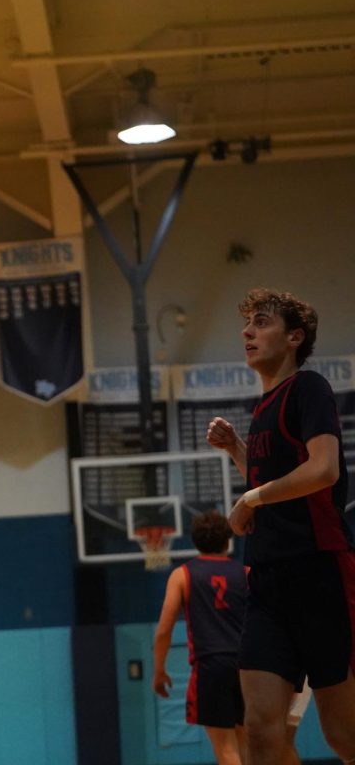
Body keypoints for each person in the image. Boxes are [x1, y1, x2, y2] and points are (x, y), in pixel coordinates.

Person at [206, 289, 355, 765]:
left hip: (320, 574)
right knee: (260, 730)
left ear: (294, 337)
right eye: (247, 324)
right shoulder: (262, 407)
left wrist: (249, 497)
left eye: (262, 322)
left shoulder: (308, 388)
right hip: (267, 582)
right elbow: (276, 487)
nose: (248, 332)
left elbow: (323, 470)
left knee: (343, 736)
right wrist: (238, 454)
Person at [152, 512, 249, 765]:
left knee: (226, 749)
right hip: (248, 664)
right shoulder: (246, 572)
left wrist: (159, 669)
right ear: (228, 540)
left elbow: (164, 629)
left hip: (211, 665)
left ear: (195, 542)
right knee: (248, 746)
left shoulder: (183, 575)